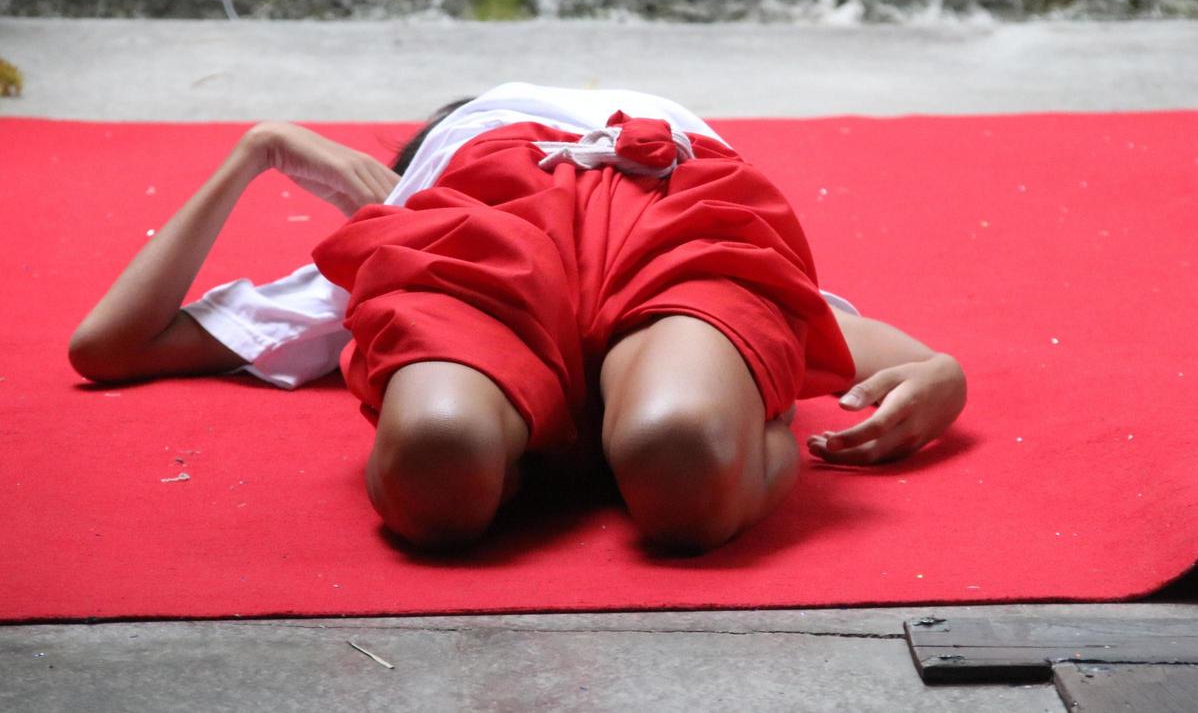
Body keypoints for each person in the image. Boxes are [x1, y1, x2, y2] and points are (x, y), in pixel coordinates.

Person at [69, 84, 966, 553]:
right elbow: (108, 346)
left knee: (680, 453)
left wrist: (939, 376)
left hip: (668, 192)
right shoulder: (407, 225)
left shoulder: (672, 179)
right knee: (436, 463)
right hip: (470, 236)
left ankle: (654, 444)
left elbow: (808, 320)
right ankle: (572, 450)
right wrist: (259, 146)